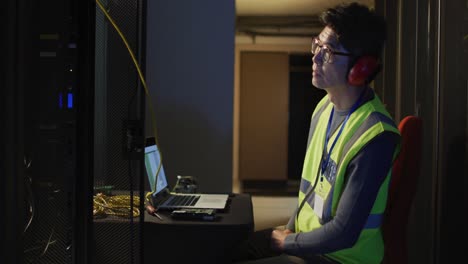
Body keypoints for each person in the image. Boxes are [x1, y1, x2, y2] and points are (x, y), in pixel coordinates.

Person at [233, 2, 401, 264]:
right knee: (229, 247)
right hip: (309, 243)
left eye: (329, 51)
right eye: (317, 46)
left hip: (340, 258)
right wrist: (289, 232)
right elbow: (309, 194)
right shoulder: (324, 108)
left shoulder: (375, 136)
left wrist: (286, 242)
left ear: (362, 68)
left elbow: (344, 233)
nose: (316, 56)